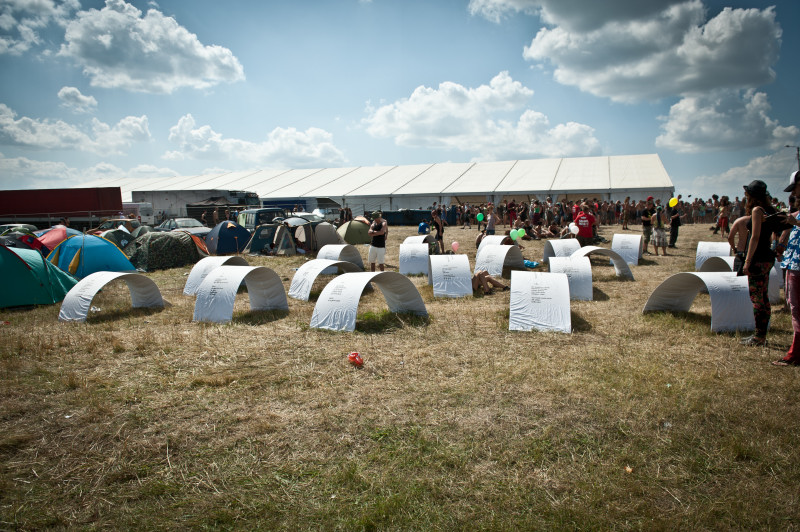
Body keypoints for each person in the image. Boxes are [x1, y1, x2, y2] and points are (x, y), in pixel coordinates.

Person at [741, 180, 791, 346]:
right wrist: (777, 247)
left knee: (757, 298)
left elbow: (754, 237)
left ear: (751, 195)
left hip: (757, 257)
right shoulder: (770, 210)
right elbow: (784, 225)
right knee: (763, 297)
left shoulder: (757, 210)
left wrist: (747, 262)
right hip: (767, 258)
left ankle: (759, 337)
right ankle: (761, 334)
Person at [775, 171, 800, 365]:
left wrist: (796, 222)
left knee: (797, 309)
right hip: (793, 263)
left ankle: (795, 353)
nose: (795, 195)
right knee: (795, 307)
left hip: (797, 265)